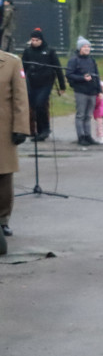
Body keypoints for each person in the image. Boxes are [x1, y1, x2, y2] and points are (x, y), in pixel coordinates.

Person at [0, 49, 30, 250]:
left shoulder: (11, 62)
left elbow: (20, 98)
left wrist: (20, 128)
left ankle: (2, 219)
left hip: (2, 129)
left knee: (3, 176)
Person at [22, 28, 66, 143]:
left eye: (37, 40)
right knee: (34, 106)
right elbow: (23, 68)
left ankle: (45, 129)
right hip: (32, 82)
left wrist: (62, 86)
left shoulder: (50, 51)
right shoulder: (27, 52)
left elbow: (58, 68)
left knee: (41, 103)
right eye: (32, 40)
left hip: (46, 83)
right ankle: (39, 131)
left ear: (41, 40)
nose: (34, 42)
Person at [65, 37, 102, 146]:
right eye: (84, 47)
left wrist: (99, 90)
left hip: (92, 91)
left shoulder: (91, 60)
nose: (87, 49)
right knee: (81, 114)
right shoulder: (74, 60)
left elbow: (97, 75)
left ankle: (88, 136)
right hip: (81, 91)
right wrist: (82, 78)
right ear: (80, 48)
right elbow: (69, 74)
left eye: (88, 47)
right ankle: (81, 136)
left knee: (88, 115)